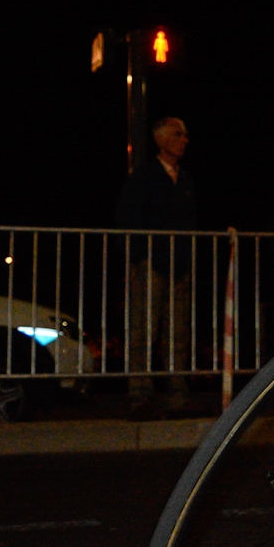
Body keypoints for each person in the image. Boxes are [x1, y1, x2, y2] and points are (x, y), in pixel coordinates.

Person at [113, 116, 197, 409]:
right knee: (143, 329)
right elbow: (127, 218)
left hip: (179, 264)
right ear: (161, 140)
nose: (184, 140)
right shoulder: (144, 177)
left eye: (184, 135)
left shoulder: (184, 179)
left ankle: (177, 391)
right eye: (177, 135)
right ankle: (140, 391)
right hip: (152, 263)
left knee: (178, 332)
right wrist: (138, 257)